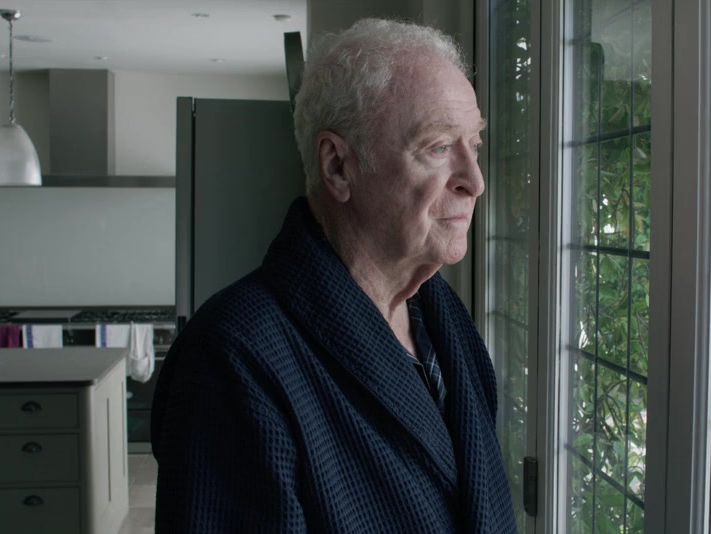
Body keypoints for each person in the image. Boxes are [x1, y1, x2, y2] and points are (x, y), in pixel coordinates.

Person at [151, 18, 517, 533]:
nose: (474, 181)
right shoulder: (232, 357)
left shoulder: (446, 320)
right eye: (438, 147)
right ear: (338, 167)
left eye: (473, 145)